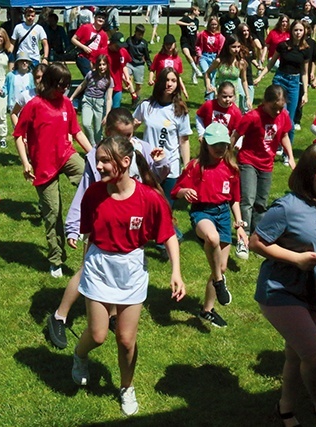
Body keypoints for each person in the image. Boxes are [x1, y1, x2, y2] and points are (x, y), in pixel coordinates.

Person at [71, 136, 185, 417]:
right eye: (98, 160)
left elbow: (168, 234)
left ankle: (126, 387)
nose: (98, 166)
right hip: (99, 268)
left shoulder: (148, 198)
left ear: (125, 162)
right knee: (98, 335)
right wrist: (86, 263)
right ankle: (79, 355)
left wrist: (176, 272)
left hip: (131, 270)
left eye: (104, 160)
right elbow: (89, 234)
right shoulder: (94, 194)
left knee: (125, 339)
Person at [47, 107, 170, 350]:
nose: (128, 140)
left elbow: (154, 181)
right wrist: (73, 227)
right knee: (86, 271)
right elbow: (84, 191)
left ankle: (112, 316)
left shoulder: (141, 148)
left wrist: (161, 162)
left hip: (127, 226)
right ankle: (59, 315)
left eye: (131, 134)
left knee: (117, 275)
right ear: (108, 132)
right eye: (122, 135)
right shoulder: (98, 156)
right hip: (99, 224)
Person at [250, 142, 316, 427]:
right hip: (279, 290)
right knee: (315, 355)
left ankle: (285, 409)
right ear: (308, 174)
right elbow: (256, 242)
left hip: (311, 291)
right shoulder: (287, 207)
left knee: (295, 354)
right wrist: (296, 258)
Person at [13, 63, 93, 278]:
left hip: (66, 155)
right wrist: (25, 163)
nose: (65, 89)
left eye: (67, 85)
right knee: (53, 213)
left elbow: (76, 132)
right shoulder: (34, 105)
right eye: (61, 85)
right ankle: (56, 259)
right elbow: (18, 135)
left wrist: (93, 154)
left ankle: (87, 223)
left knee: (91, 177)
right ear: (48, 82)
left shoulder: (66, 103)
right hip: (44, 166)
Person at [172, 122, 247, 327]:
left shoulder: (231, 168)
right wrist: (183, 192)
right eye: (215, 145)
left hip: (223, 214)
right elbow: (176, 191)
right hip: (202, 212)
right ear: (205, 144)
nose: (219, 149)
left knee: (221, 266)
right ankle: (219, 281)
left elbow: (235, 199)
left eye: (223, 145)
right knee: (212, 238)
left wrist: (239, 225)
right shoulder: (195, 166)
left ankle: (207, 310)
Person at [230, 84, 295, 260]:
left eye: (281, 108)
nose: (277, 112)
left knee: (261, 202)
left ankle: (257, 239)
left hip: (267, 164)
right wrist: (227, 155)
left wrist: (291, 158)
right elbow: (236, 135)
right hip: (248, 161)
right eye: (274, 108)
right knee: (248, 200)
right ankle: (243, 237)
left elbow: (283, 136)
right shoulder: (252, 116)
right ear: (265, 102)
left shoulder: (283, 116)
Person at [133, 68, 192, 217]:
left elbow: (184, 141)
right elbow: (131, 126)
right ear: (159, 82)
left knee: (165, 208)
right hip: (148, 164)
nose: (169, 84)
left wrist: (187, 165)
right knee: (146, 205)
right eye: (166, 80)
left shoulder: (179, 110)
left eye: (173, 80)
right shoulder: (147, 106)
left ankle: (166, 238)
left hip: (171, 165)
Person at [255, 20, 312, 146]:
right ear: (291, 31)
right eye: (296, 30)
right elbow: (270, 64)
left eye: (300, 30)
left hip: (294, 82)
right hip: (280, 79)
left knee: (289, 120)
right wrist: (260, 77)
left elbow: (304, 72)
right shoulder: (283, 46)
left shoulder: (306, 49)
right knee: (280, 113)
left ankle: (286, 151)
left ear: (304, 32)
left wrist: (305, 93)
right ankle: (274, 144)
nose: (298, 33)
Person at [69, 54, 114, 144]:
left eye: (104, 64)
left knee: (98, 130)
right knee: (86, 124)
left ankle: (99, 147)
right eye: (100, 64)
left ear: (107, 65)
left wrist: (107, 114)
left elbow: (109, 98)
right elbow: (82, 86)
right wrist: (72, 97)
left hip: (99, 104)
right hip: (87, 101)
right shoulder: (90, 74)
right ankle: (92, 146)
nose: (101, 67)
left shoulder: (109, 80)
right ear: (96, 65)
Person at [203, 35, 251, 110]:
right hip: (221, 94)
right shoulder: (219, 61)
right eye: (233, 47)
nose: (236, 50)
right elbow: (207, 73)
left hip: (233, 95)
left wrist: (248, 97)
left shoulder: (241, 63)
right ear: (227, 47)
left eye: (238, 47)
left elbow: (244, 80)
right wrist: (208, 85)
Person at [149, 34, 189, 100]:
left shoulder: (177, 59)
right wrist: (150, 79)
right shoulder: (159, 57)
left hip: (172, 87)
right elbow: (152, 69)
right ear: (164, 45)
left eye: (171, 44)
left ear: (174, 44)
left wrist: (183, 89)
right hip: (160, 85)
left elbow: (178, 76)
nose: (169, 46)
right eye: (167, 44)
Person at [71, 10, 108, 77]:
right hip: (82, 56)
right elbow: (73, 39)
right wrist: (83, 47)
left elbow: (104, 51)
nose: (101, 19)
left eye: (103, 18)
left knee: (95, 79)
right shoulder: (85, 27)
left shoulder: (104, 35)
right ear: (94, 18)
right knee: (90, 77)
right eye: (99, 17)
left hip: (96, 61)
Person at [195, 16, 225, 95]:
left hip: (214, 57)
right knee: (206, 72)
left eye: (215, 24)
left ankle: (209, 96)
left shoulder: (220, 36)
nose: (214, 26)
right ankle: (211, 91)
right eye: (212, 24)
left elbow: (221, 48)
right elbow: (197, 44)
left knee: (212, 77)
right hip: (204, 56)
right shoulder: (203, 34)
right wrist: (199, 52)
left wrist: (219, 58)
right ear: (209, 25)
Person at [176, 6, 203, 85]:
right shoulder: (186, 18)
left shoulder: (197, 21)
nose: (199, 12)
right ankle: (197, 70)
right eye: (198, 11)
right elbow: (177, 22)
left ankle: (194, 76)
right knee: (187, 54)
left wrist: (200, 37)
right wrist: (188, 24)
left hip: (194, 41)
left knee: (195, 60)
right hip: (185, 40)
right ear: (194, 11)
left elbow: (196, 31)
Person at [126, 24, 151, 104]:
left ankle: (135, 99)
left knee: (138, 85)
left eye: (142, 34)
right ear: (135, 32)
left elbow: (147, 55)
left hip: (139, 64)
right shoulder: (129, 40)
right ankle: (133, 95)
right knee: (128, 79)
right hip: (129, 63)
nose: (140, 36)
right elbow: (124, 51)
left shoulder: (144, 43)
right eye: (139, 34)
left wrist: (149, 64)